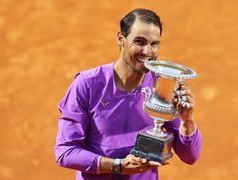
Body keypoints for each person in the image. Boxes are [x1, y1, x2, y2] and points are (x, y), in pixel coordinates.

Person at [54, 8, 203, 180]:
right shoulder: (87, 84)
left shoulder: (163, 86)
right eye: (140, 42)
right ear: (120, 39)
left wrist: (188, 120)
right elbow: (65, 152)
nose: (147, 52)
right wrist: (118, 166)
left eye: (154, 44)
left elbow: (190, 156)